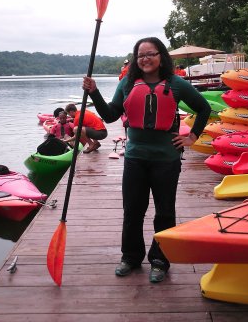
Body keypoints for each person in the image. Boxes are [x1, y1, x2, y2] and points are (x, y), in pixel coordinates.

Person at [82, 37, 211, 283]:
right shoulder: (128, 84)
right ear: (136, 60)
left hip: (166, 160)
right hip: (135, 159)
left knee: (164, 213)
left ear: (161, 56)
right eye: (140, 55)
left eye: (150, 53)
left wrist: (192, 137)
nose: (145, 59)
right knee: (132, 210)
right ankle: (130, 257)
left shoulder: (176, 84)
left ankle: (160, 260)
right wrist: (94, 92)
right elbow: (110, 115)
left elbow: (203, 108)